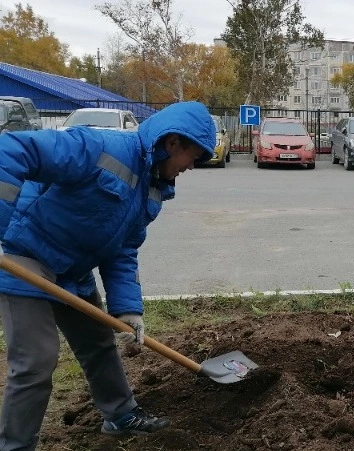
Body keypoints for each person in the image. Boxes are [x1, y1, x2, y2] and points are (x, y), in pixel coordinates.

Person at [0, 101, 216, 450]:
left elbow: (122, 249)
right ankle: (16, 446)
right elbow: (13, 149)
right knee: (36, 360)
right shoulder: (100, 148)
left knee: (98, 343)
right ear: (173, 143)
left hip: (72, 269)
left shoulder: (153, 188)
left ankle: (120, 414)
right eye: (194, 155)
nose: (193, 165)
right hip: (26, 256)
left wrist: (127, 308)